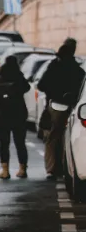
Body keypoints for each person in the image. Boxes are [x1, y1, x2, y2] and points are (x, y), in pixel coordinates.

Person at [38, 38, 85, 180]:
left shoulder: (54, 66)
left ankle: (51, 169)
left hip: (55, 107)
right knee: (69, 138)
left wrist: (54, 94)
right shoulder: (78, 69)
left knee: (52, 138)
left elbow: (41, 85)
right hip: (73, 108)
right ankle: (66, 168)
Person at [0, 55, 31, 180]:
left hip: (1, 115)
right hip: (18, 115)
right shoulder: (19, 77)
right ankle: (22, 169)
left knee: (4, 143)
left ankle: (5, 170)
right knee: (20, 143)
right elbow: (27, 88)